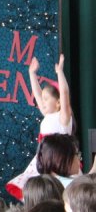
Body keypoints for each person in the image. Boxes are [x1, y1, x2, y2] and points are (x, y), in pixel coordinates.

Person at [6, 54, 73, 201]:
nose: (42, 102)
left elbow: (64, 93)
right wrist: (32, 73)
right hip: (44, 161)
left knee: (61, 193)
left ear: (58, 103)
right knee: (40, 192)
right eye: (43, 99)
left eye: (46, 99)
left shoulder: (63, 117)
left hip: (59, 161)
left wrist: (60, 72)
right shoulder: (48, 116)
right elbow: (37, 95)